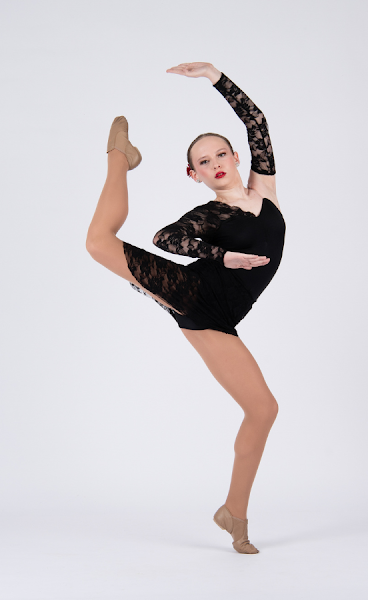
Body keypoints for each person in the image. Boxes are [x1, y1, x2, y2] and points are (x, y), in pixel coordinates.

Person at [86, 62, 285, 554]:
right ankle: (119, 158)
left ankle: (233, 513)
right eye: (203, 161)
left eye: (221, 154)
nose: (215, 163)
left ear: (237, 157)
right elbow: (165, 238)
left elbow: (257, 121)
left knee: (263, 410)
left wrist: (216, 76)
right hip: (193, 292)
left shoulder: (265, 191)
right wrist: (222, 255)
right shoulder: (209, 213)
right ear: (193, 175)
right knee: (99, 243)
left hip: (221, 317)